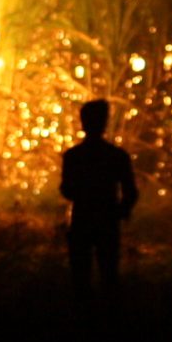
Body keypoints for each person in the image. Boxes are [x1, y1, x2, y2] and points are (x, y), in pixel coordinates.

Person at [61, 98, 139, 301]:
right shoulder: (117, 156)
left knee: (80, 277)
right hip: (107, 222)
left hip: (81, 221)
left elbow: (66, 190)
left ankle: (84, 319)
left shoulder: (73, 156)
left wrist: (84, 196)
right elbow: (130, 192)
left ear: (83, 122)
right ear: (105, 123)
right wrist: (120, 211)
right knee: (109, 274)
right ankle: (109, 319)